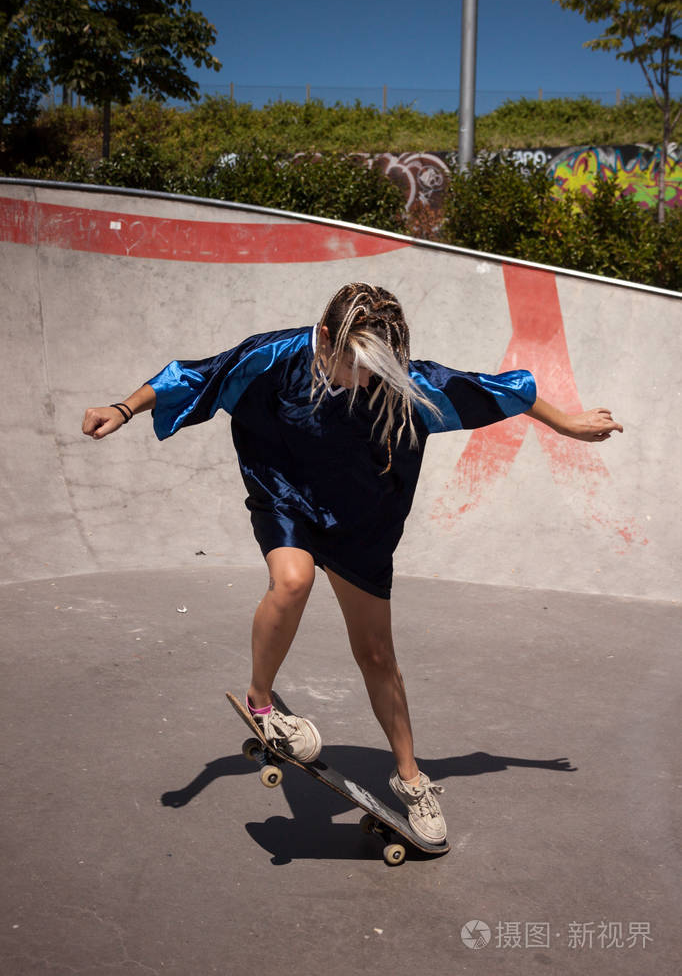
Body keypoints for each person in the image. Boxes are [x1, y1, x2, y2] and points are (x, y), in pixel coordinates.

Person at [82, 281, 622, 845]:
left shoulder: (403, 385)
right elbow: (192, 376)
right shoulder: (272, 357)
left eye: (374, 368)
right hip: (284, 495)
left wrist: (567, 425)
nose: (364, 380)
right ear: (323, 339)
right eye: (353, 365)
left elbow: (496, 391)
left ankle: (410, 779)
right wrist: (123, 408)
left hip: (361, 520)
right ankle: (262, 704)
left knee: (376, 653)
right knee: (293, 580)